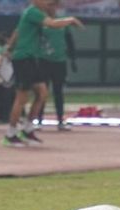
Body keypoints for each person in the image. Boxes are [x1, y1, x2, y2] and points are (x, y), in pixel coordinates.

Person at [2, 0, 83, 148]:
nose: (48, 3)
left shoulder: (34, 13)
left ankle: (27, 129)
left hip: (32, 58)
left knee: (42, 92)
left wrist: (9, 47)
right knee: (22, 97)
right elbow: (51, 24)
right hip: (24, 58)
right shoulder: (33, 12)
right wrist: (70, 20)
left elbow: (18, 31)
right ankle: (10, 134)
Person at [38, 0, 77, 131]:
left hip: (59, 61)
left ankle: (60, 120)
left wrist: (73, 60)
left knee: (58, 92)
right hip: (44, 61)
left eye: (54, 5)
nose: (52, 8)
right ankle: (39, 120)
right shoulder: (42, 21)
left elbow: (69, 41)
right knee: (42, 92)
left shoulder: (63, 23)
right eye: (49, 5)